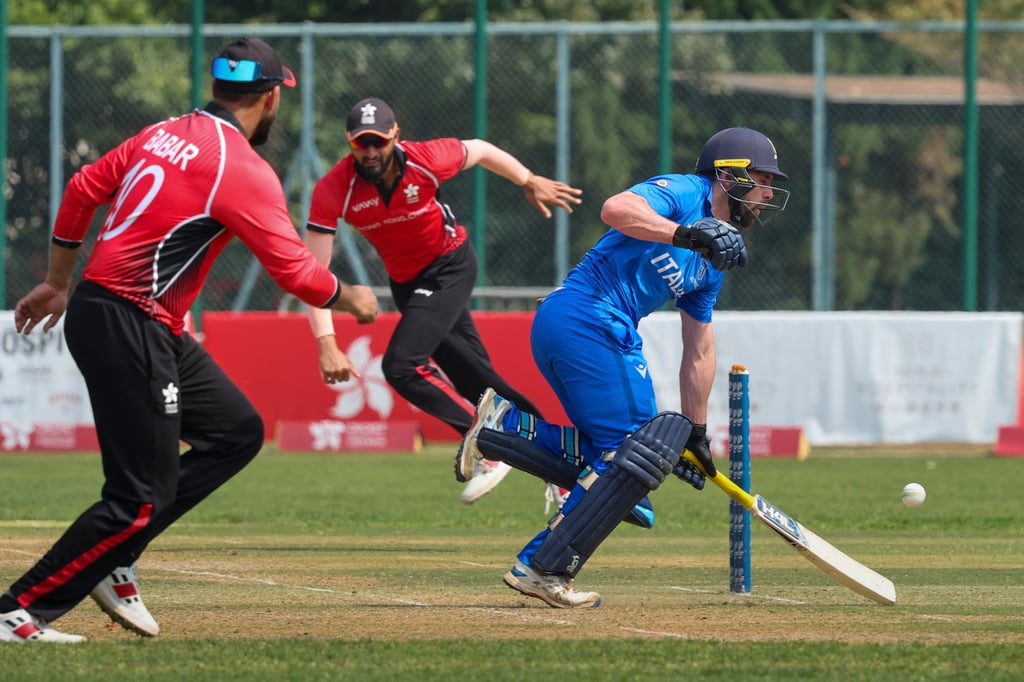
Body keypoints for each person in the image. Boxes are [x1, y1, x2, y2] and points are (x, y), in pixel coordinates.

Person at [0, 38, 378, 644]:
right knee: (139, 498)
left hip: (126, 317)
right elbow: (296, 274)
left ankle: (115, 557)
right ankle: (19, 611)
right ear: (272, 96)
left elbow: (80, 190)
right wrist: (350, 296)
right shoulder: (243, 169)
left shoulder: (162, 132)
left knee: (235, 433)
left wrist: (56, 281)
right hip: (130, 321)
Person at [457, 127, 789, 608]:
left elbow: (699, 349)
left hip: (583, 327)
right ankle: (542, 567)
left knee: (632, 489)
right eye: (760, 179)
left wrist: (695, 432)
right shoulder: (684, 191)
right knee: (635, 457)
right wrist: (686, 233)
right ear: (728, 175)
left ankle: (504, 429)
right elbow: (615, 209)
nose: (766, 193)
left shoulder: (712, 262)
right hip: (586, 316)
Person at [304, 97, 583, 503]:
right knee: (478, 382)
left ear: (394, 136)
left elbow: (482, 150)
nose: (370, 152)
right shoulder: (333, 189)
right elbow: (313, 274)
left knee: (401, 365)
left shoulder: (426, 158)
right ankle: (563, 465)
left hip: (451, 265)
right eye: (360, 144)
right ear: (349, 143)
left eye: (377, 142)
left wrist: (527, 179)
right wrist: (326, 343)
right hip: (408, 284)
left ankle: (486, 445)